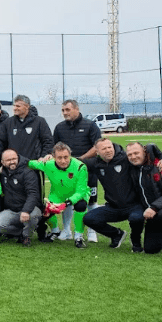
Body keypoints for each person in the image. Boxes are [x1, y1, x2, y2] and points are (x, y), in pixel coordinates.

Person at [83, 138, 162, 251]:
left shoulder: (125, 158)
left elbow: (150, 151)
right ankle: (116, 234)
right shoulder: (95, 163)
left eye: (109, 147)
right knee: (89, 218)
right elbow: (74, 162)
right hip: (113, 207)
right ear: (97, 151)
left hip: (134, 206)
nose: (108, 150)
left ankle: (136, 241)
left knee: (136, 218)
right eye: (104, 149)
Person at [52, 99, 102, 241]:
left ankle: (92, 231)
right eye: (63, 110)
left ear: (77, 109)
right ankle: (67, 230)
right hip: (66, 172)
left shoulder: (90, 125)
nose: (65, 113)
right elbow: (55, 148)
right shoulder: (59, 127)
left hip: (88, 170)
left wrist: (80, 159)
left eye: (67, 109)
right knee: (67, 200)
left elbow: (97, 147)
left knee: (91, 201)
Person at [28, 142, 90, 248]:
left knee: (81, 206)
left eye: (66, 157)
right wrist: (9, 164)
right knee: (46, 210)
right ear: (53, 157)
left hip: (77, 195)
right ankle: (55, 231)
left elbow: (81, 191)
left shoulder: (80, 167)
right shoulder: (48, 164)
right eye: (59, 158)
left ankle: (78, 236)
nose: (63, 161)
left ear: (70, 155)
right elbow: (30, 163)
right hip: (57, 195)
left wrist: (67, 203)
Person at [0, 150, 42, 246]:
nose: (12, 162)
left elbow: (33, 194)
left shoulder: (28, 172)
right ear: (2, 162)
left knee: (33, 216)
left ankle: (26, 236)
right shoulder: (2, 173)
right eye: (8, 160)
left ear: (18, 158)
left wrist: (26, 211)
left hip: (30, 209)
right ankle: (20, 233)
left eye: (14, 159)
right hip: (12, 210)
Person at [0, 95, 54, 164]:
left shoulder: (39, 122)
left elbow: (48, 141)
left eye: (18, 106)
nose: (15, 108)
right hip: (14, 165)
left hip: (33, 164)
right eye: (14, 106)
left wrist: (43, 156)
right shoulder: (8, 123)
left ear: (27, 106)